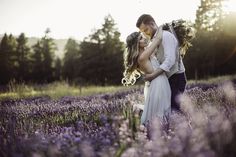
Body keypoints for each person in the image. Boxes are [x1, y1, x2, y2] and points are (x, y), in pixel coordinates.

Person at [136, 14, 195, 112]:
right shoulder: (153, 41)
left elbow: (170, 60)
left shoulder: (166, 35)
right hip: (167, 79)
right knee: (166, 111)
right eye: (142, 32)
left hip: (176, 77)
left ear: (152, 24)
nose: (145, 34)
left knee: (173, 110)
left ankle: (183, 126)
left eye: (146, 30)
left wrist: (153, 75)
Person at [122, 28, 171, 126]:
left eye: (142, 37)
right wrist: (161, 28)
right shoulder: (143, 56)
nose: (144, 39)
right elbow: (157, 40)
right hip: (158, 83)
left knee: (159, 111)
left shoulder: (143, 53)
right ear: (136, 44)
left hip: (156, 82)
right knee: (160, 113)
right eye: (140, 39)